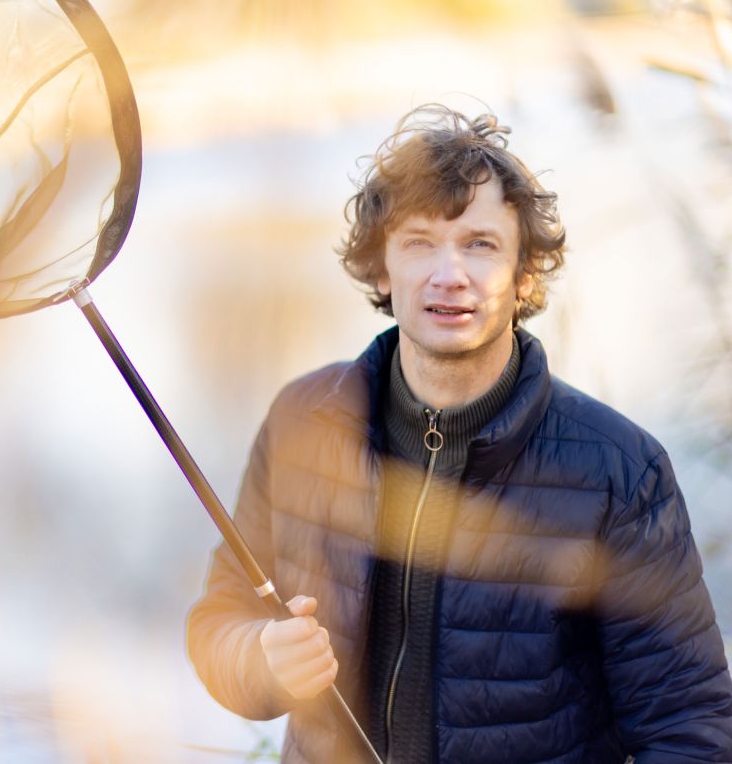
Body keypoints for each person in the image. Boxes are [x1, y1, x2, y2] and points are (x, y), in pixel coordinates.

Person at [187, 104, 732, 763]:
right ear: (382, 268)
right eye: (419, 242)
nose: (450, 274)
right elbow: (221, 620)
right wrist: (260, 658)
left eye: (481, 243)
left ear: (524, 273)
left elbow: (689, 726)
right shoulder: (305, 419)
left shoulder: (619, 469)